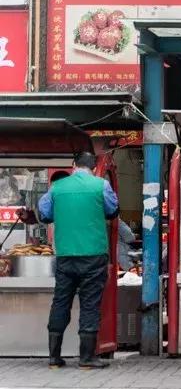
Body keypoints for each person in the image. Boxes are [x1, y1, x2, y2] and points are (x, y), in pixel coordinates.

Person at [38, 152, 118, 370]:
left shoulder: (56, 187)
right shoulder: (101, 186)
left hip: (65, 255)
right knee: (90, 305)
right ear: (93, 167)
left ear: (73, 165)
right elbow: (112, 211)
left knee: (60, 302)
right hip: (94, 255)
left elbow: (44, 214)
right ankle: (86, 358)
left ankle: (54, 357)